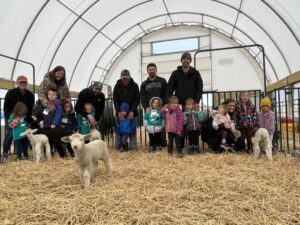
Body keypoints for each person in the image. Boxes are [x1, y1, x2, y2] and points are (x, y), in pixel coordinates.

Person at [167, 52, 203, 148]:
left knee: (193, 124)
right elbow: (170, 87)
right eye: (184, 59)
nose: (185, 60)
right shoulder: (175, 73)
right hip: (179, 104)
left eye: (188, 59)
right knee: (180, 124)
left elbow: (199, 87)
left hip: (191, 104)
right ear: (181, 60)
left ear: (190, 61)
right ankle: (180, 145)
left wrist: (196, 101)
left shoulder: (195, 73)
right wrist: (169, 102)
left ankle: (193, 145)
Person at [1, 75, 34, 163]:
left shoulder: (30, 95)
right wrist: (11, 118)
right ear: (17, 83)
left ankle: (23, 155)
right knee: (10, 135)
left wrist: (27, 119)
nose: (23, 83)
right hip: (12, 118)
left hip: (24, 119)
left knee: (24, 136)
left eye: (24, 82)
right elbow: (6, 107)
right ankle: (4, 155)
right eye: (21, 82)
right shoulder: (11, 93)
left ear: (27, 84)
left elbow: (30, 110)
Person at [140, 63, 168, 147]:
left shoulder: (162, 81)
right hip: (151, 109)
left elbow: (166, 93)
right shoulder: (144, 84)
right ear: (147, 71)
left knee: (161, 125)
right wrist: (146, 107)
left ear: (156, 70)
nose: (151, 71)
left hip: (160, 108)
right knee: (151, 126)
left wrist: (163, 105)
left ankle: (162, 144)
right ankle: (153, 144)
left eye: (153, 69)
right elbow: (143, 96)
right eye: (150, 70)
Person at [113, 69, 140, 150]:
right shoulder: (117, 86)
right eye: (123, 78)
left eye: (126, 78)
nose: (125, 80)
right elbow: (115, 99)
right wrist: (118, 112)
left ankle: (133, 148)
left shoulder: (135, 86)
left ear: (129, 77)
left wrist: (132, 111)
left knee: (132, 131)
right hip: (120, 112)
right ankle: (120, 147)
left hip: (131, 112)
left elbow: (137, 99)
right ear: (121, 78)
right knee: (119, 131)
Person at [34, 88, 65, 158]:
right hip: (46, 126)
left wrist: (54, 123)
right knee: (47, 140)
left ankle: (62, 154)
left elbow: (58, 115)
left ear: (56, 96)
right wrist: (40, 121)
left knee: (56, 141)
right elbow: (43, 115)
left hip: (55, 126)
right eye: (49, 94)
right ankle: (48, 154)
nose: (51, 96)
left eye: (53, 95)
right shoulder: (46, 105)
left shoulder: (58, 105)